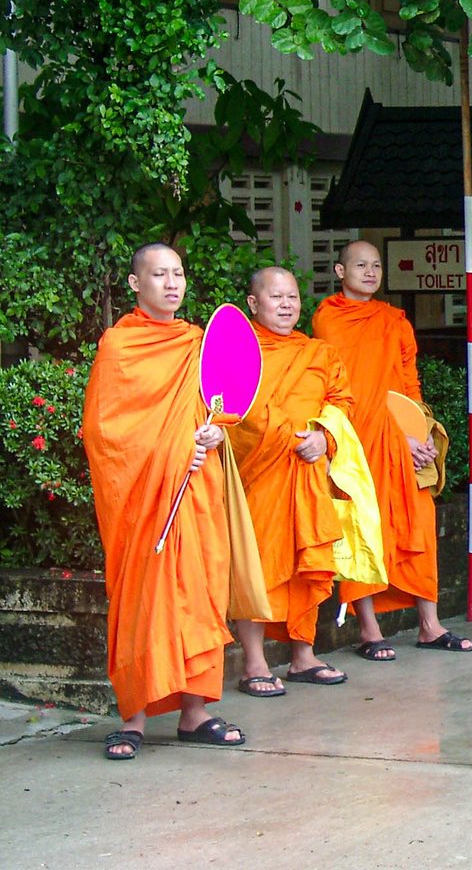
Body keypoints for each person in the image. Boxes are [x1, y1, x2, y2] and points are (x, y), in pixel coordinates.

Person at [82, 243, 244, 759]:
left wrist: (216, 435)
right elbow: (106, 433)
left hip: (194, 493)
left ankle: (194, 712)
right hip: (143, 500)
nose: (172, 284)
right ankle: (132, 718)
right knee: (141, 600)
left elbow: (220, 409)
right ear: (135, 285)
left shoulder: (199, 343)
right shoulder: (119, 346)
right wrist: (176, 449)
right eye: (159, 275)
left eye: (178, 274)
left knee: (198, 592)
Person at [312, 240, 472, 657]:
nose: (370, 272)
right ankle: (369, 631)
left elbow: (408, 384)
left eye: (376, 265)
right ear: (339, 271)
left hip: (401, 442)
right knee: (363, 529)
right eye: (360, 265)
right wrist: (391, 435)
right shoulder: (329, 321)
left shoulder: (394, 321)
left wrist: (417, 434)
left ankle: (430, 625)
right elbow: (340, 391)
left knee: (418, 526)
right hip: (355, 442)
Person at [230, 267, 354, 693]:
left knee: (309, 562)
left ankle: (304, 656)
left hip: (307, 472)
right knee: (258, 566)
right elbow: (228, 409)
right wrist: (286, 436)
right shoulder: (237, 349)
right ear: (253, 303)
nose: (286, 306)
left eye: (292, 298)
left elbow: (341, 404)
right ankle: (255, 663)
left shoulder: (318, 353)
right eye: (276, 298)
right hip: (260, 471)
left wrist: (324, 437)